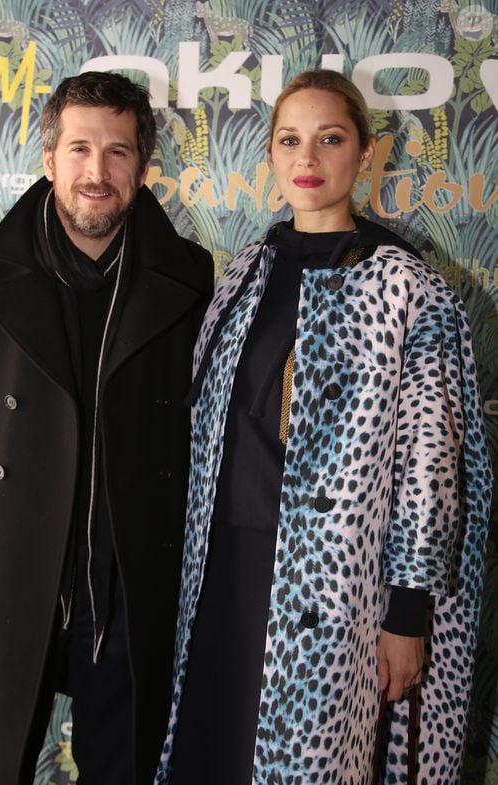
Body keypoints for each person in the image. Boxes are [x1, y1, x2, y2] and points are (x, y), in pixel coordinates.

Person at [154, 70, 492, 785]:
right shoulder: (245, 273)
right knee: (213, 751)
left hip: (337, 590)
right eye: (290, 140)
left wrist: (406, 614)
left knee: (310, 765)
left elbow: (431, 470)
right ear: (271, 156)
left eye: (330, 139)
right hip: (226, 568)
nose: (308, 158)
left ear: (366, 154)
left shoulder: (409, 290)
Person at [0, 71, 213, 785]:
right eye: (80, 148)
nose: (97, 171)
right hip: (9, 560)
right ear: (49, 159)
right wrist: (19, 485)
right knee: (0, 759)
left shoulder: (188, 275)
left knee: (123, 761)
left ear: (143, 169)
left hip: (127, 572)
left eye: (118, 152)